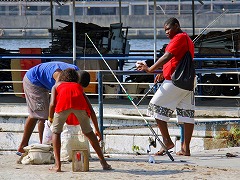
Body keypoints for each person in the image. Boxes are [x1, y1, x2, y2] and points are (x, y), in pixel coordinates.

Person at [137, 17, 195, 156]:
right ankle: (185, 148)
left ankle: (167, 141)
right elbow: (176, 60)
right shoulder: (185, 38)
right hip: (188, 81)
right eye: (165, 30)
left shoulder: (179, 38)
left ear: (176, 25)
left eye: (168, 29)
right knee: (187, 114)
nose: (167, 32)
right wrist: (163, 72)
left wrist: (150, 69)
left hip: (177, 81)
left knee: (154, 106)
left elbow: (167, 56)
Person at [48, 68, 112, 172]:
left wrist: (50, 119)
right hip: (80, 107)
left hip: (62, 107)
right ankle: (104, 163)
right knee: (89, 133)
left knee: (56, 132)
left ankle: (57, 165)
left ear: (62, 77)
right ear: (76, 78)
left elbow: (52, 104)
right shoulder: (78, 87)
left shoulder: (56, 86)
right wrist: (97, 130)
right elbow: (91, 111)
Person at [17, 61, 81, 155]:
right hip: (33, 81)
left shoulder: (76, 73)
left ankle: (27, 146)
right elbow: (53, 102)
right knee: (42, 116)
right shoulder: (59, 77)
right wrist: (51, 118)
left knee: (40, 114)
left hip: (43, 82)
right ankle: (43, 149)